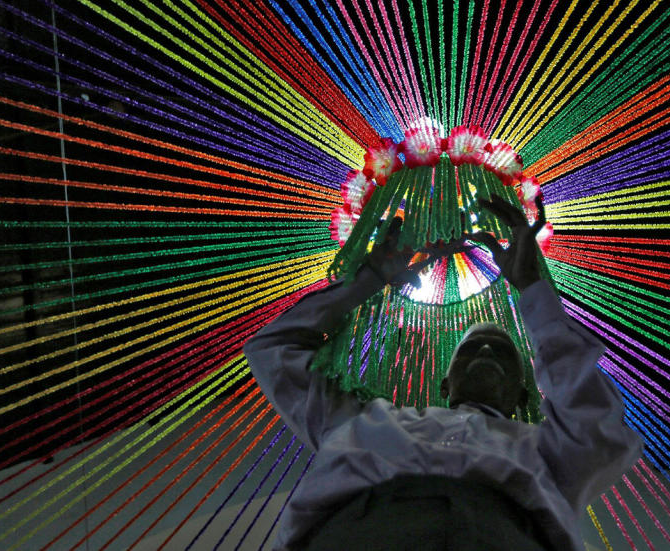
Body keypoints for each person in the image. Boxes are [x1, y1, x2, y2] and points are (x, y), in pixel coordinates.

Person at [243, 195, 643, 550]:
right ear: (445, 383)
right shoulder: (365, 421)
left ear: (526, 394)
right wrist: (367, 282)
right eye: (470, 348)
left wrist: (533, 288)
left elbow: (593, 422)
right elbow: (272, 350)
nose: (486, 349)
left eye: (504, 353)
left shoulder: (552, 450)